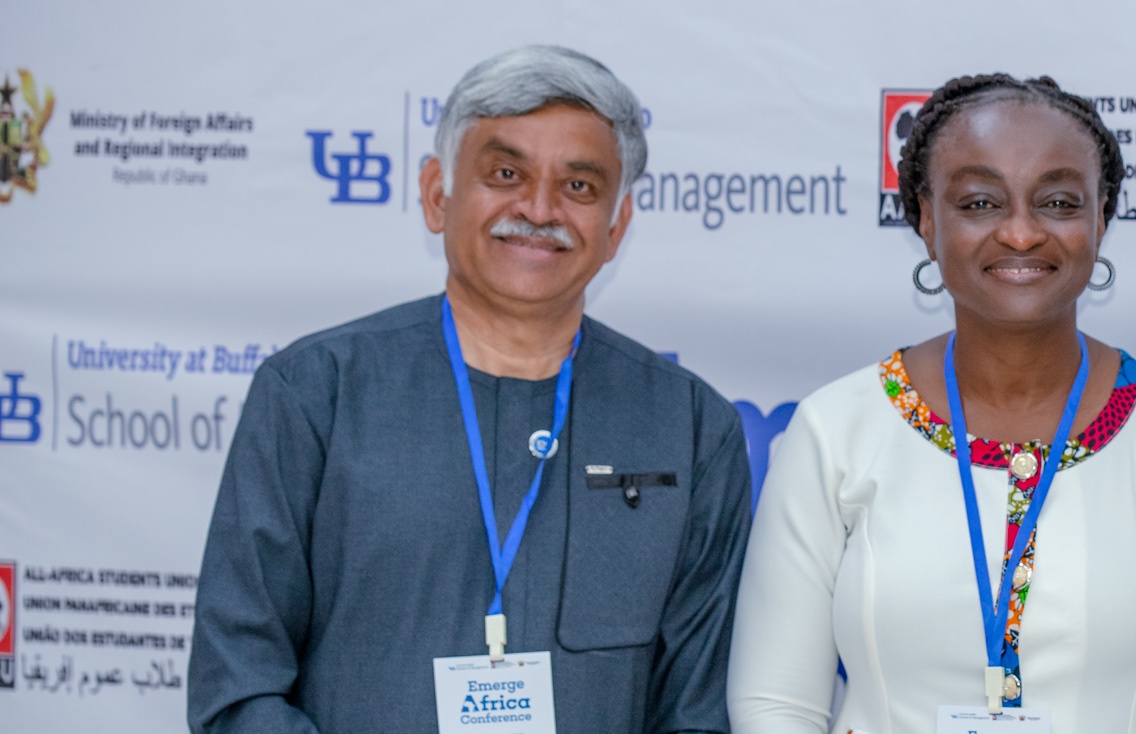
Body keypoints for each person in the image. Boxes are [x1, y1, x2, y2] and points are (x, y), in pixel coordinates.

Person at [187, 45, 752, 733]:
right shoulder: (314, 396)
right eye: (506, 173)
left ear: (617, 228)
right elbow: (238, 689)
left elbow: (695, 710)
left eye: (579, 187)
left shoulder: (689, 427)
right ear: (436, 194)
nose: (539, 209)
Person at [728, 73, 1136, 734]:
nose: (1021, 233)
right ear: (926, 218)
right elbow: (776, 707)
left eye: (1056, 201)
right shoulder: (834, 431)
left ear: (1100, 218)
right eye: (980, 202)